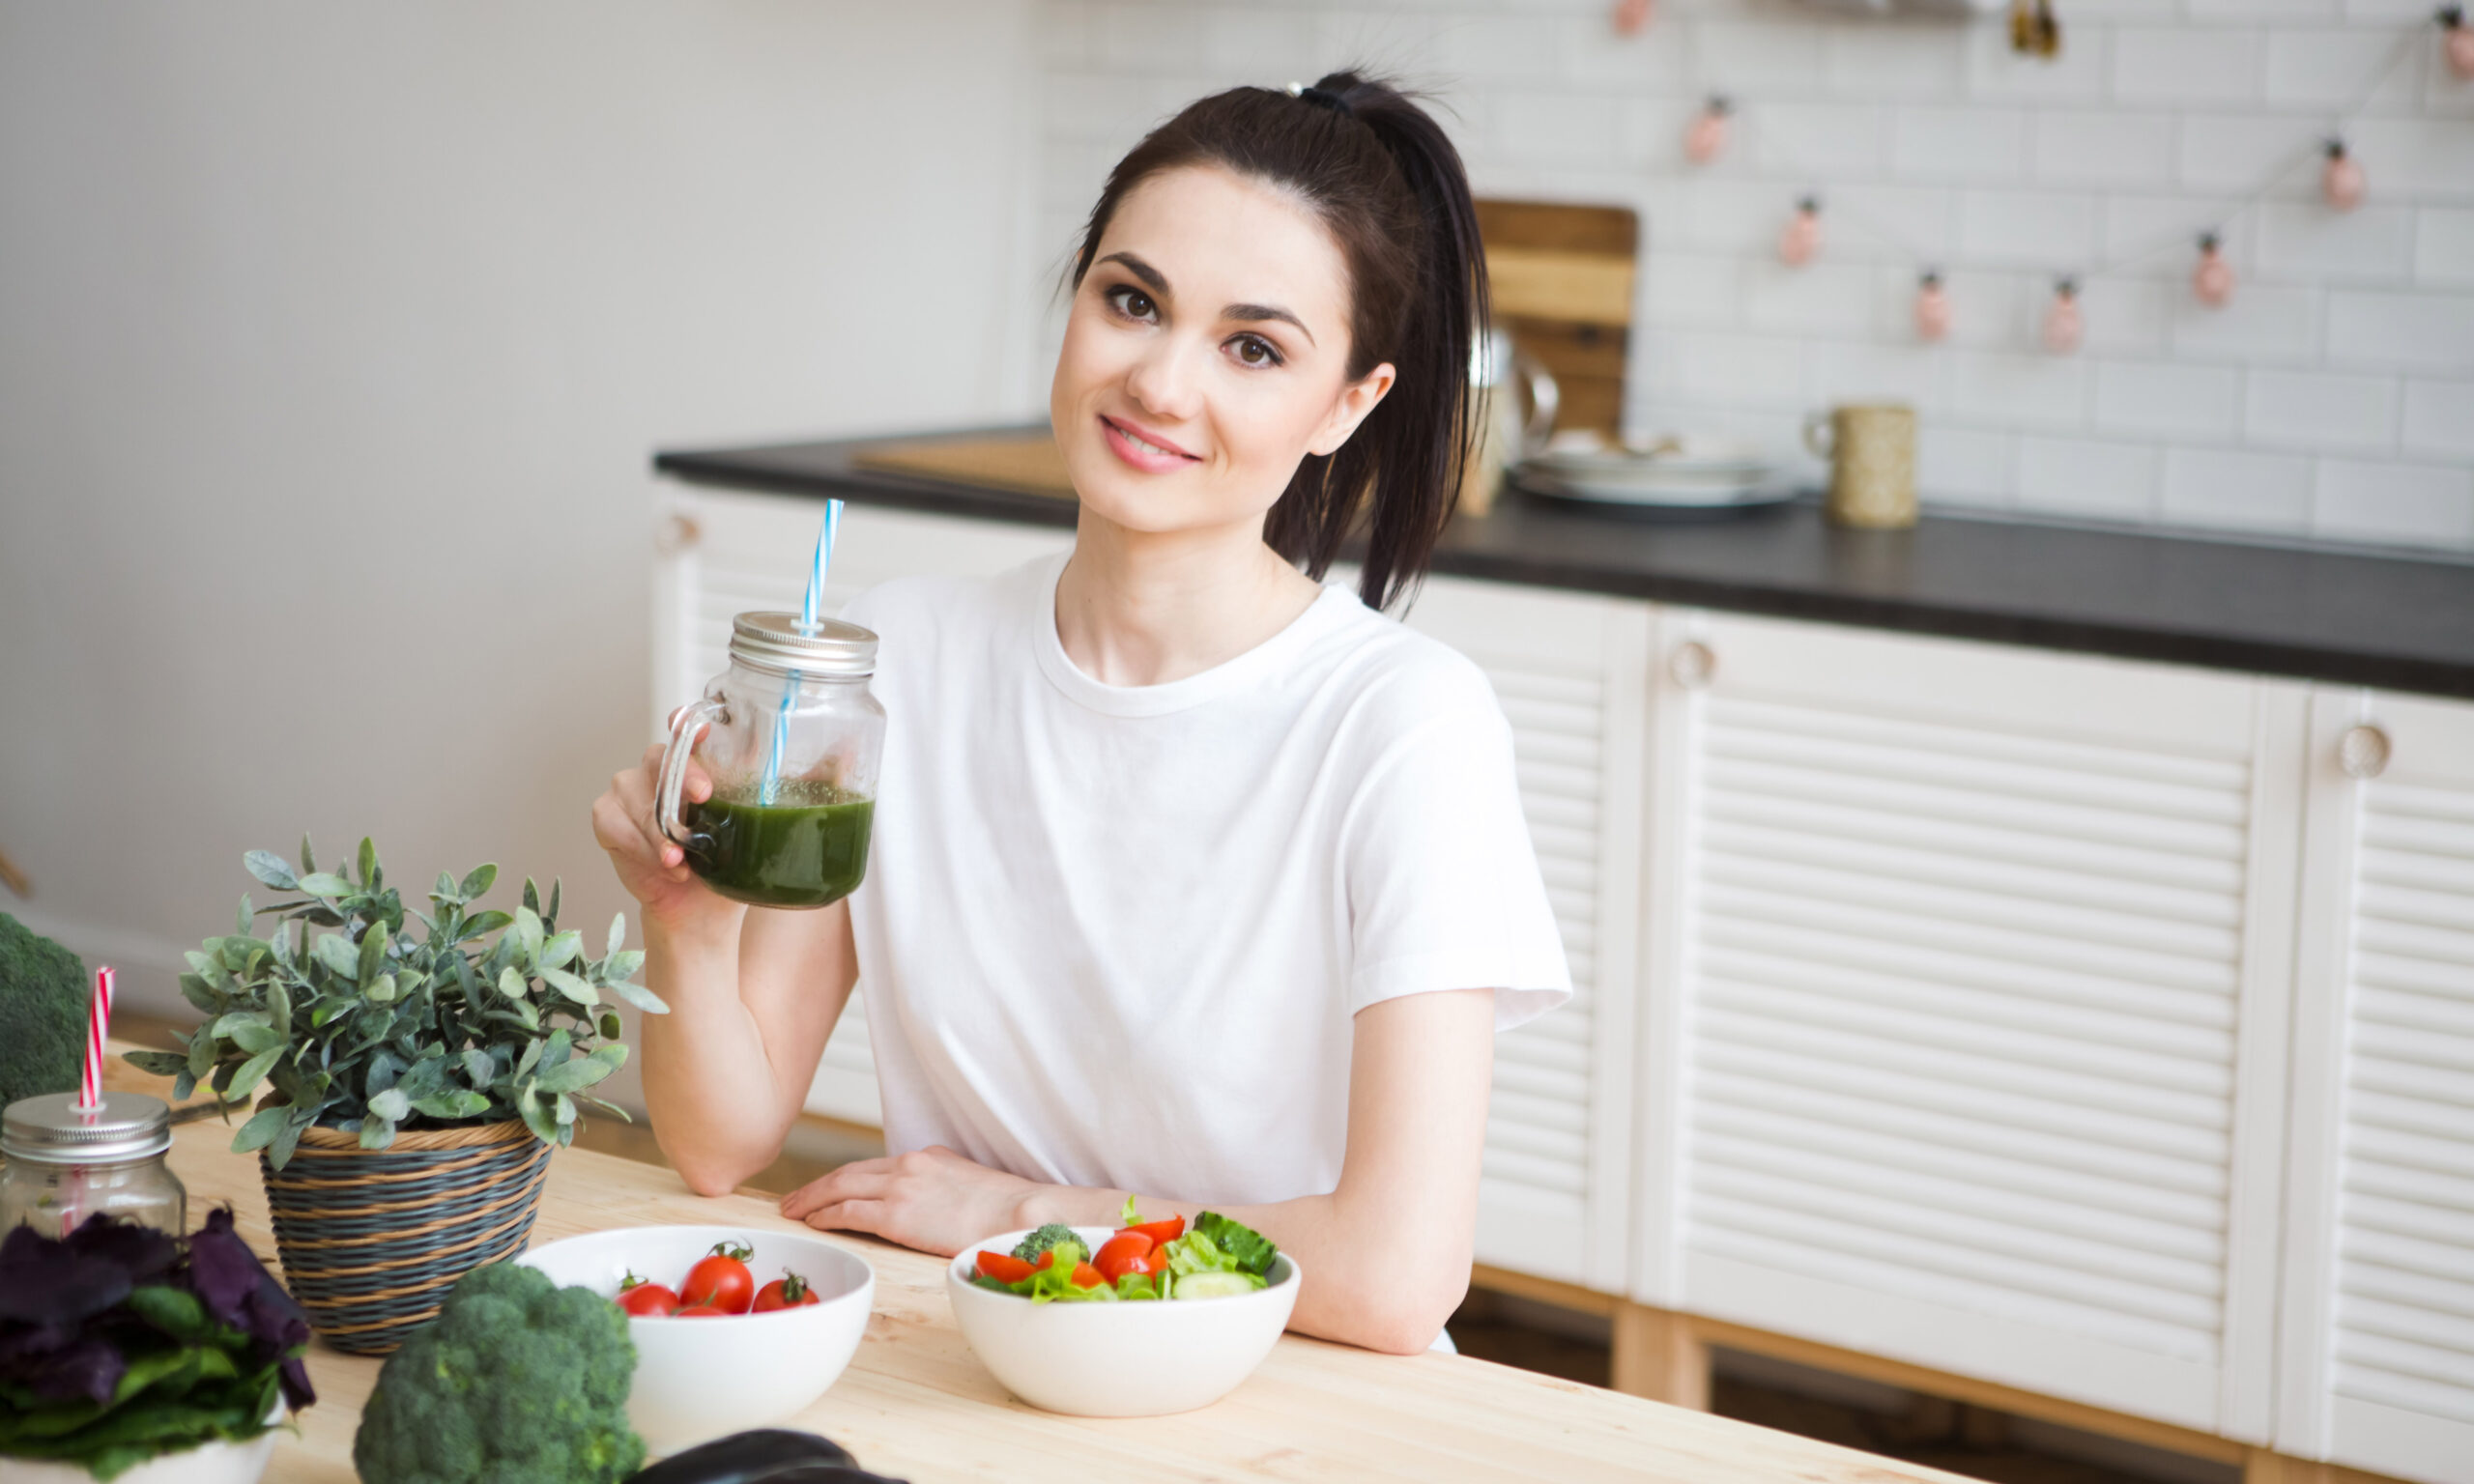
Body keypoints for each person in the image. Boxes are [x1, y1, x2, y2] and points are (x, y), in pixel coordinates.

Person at [593, 71, 1568, 1356]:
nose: (1160, 382)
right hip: (975, 1358)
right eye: (1132, 299)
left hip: (1279, 1386)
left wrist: (1019, 1213)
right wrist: (689, 927)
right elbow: (722, 1143)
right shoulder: (904, 658)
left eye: (1254, 347)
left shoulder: (1405, 724)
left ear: (1348, 405)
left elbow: (1392, 1279)